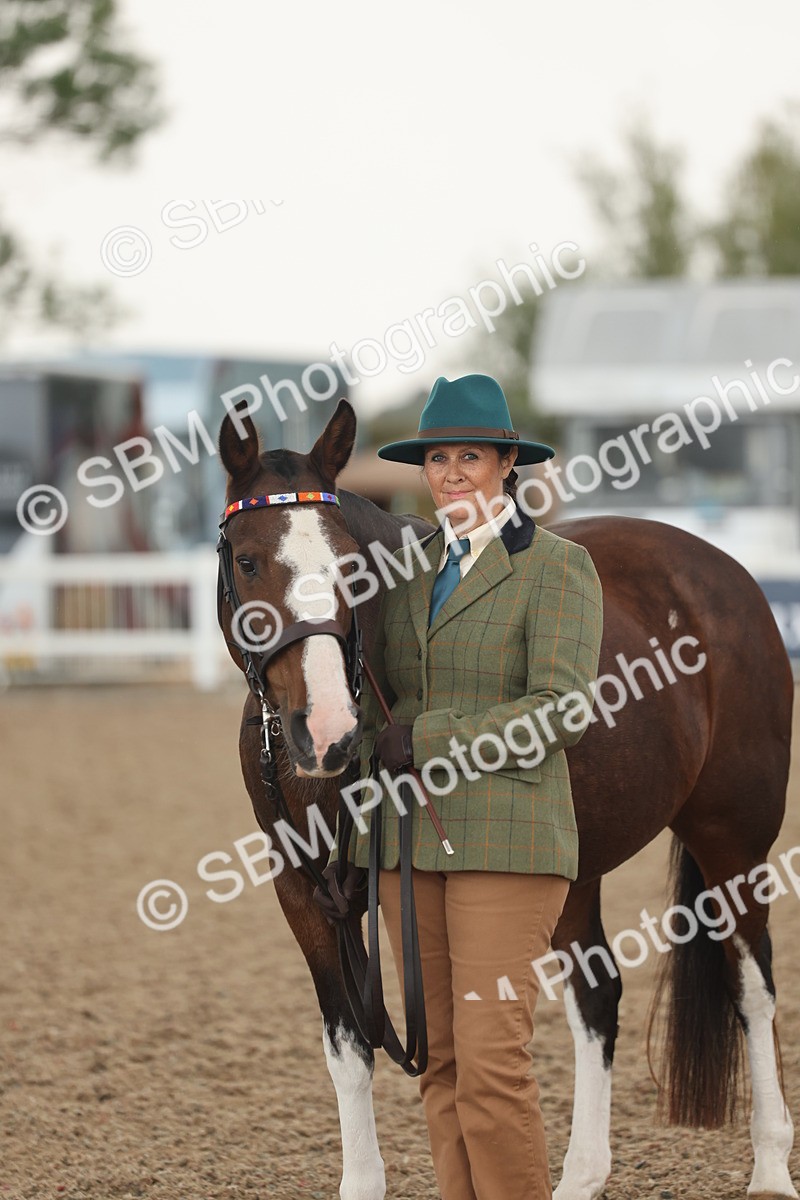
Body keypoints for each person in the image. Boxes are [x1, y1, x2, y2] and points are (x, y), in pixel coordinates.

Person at [331, 373, 603, 1200]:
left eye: (470, 457)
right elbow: (384, 708)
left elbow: (564, 710)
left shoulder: (557, 567)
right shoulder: (409, 569)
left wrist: (436, 738)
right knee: (439, 1063)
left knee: (490, 1063)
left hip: (509, 842)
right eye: (438, 458)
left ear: (508, 462)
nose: (451, 472)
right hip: (409, 842)